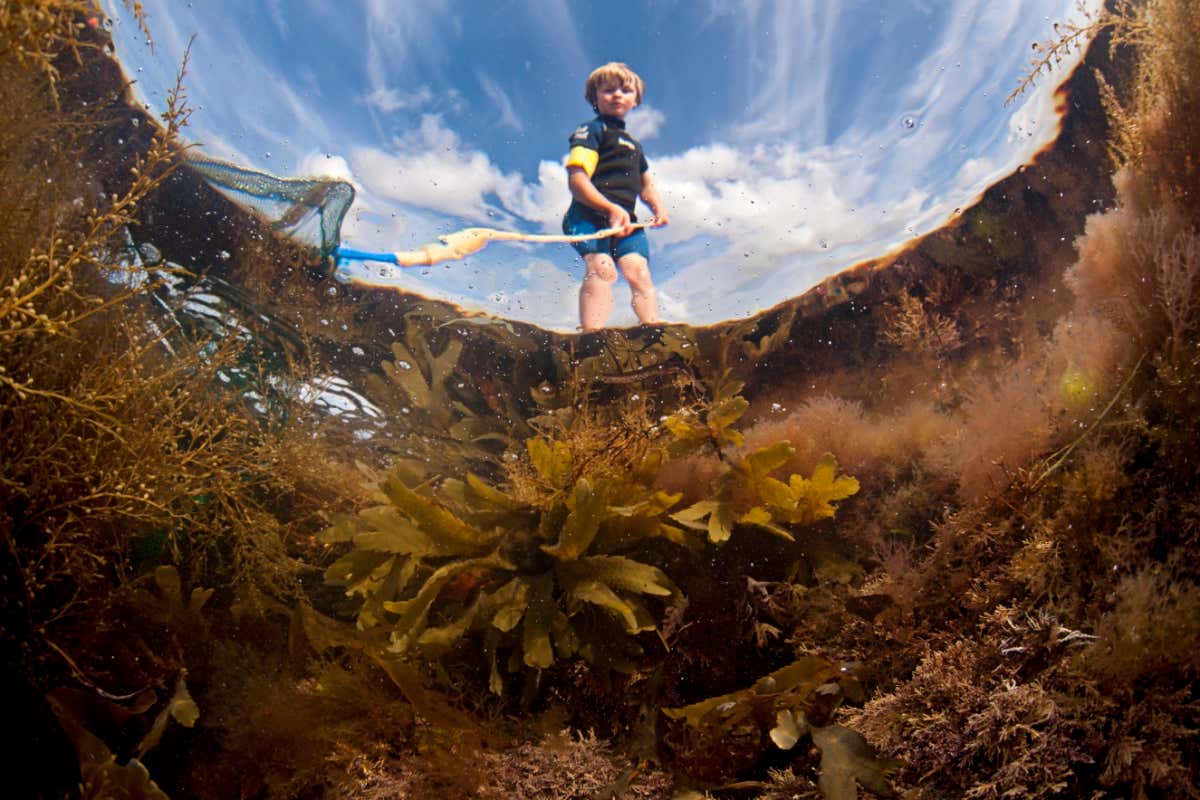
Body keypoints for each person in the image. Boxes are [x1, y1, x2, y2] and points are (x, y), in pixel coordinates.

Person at [562, 62, 669, 330]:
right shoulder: (592, 131)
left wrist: (659, 208)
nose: (617, 95)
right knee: (603, 268)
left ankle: (653, 332)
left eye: (625, 90)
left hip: (626, 224)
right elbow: (577, 180)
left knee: (639, 273)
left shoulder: (635, 146)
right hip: (588, 216)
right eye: (608, 90)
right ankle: (591, 336)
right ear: (595, 98)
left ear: (636, 100)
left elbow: (646, 185)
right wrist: (609, 208)